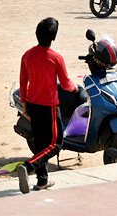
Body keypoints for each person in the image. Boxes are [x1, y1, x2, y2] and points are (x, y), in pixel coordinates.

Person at [15, 17, 76, 194]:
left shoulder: (27, 55)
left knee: (41, 143)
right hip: (48, 106)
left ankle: (42, 181)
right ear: (53, 37)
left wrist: (25, 105)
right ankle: (29, 166)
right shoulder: (56, 58)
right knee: (55, 144)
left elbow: (23, 81)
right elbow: (65, 84)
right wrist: (75, 87)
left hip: (32, 104)